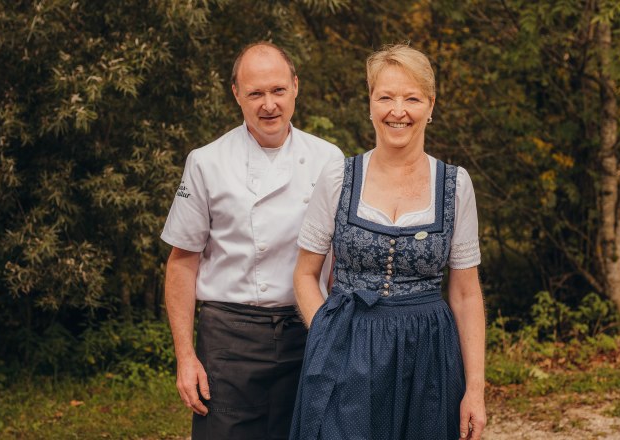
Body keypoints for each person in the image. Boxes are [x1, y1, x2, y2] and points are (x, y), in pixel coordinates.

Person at [289, 44, 487, 440]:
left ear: (430, 106)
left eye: (412, 98)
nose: (398, 111)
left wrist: (475, 390)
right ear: (370, 104)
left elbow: (465, 294)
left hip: (428, 358)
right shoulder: (338, 178)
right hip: (346, 351)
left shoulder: (455, 185)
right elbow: (305, 275)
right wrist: (329, 337)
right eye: (386, 97)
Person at [161, 41, 344, 440]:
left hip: (307, 330)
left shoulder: (330, 160)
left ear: (295, 86)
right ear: (236, 95)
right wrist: (185, 356)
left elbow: (337, 262)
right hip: (230, 337)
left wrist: (339, 337)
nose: (269, 105)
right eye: (256, 93)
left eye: (278, 90)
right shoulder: (206, 162)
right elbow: (181, 262)